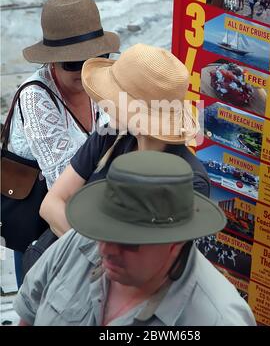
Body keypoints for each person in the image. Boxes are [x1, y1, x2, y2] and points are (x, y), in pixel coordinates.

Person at [15, 151, 256, 326]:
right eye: (104, 230)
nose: (106, 248)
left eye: (128, 242)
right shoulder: (79, 242)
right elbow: (29, 316)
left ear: (175, 242)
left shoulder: (218, 319)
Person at [7, 0, 120, 287]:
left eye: (97, 58)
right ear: (53, 62)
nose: (86, 71)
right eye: (73, 63)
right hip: (40, 227)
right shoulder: (35, 97)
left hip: (88, 216)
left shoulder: (100, 80)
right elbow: (62, 181)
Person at [40, 43, 211, 238]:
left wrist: (91, 250)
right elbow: (50, 204)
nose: (104, 102)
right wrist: (93, 250)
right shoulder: (111, 136)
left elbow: (149, 256)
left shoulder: (189, 181)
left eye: (114, 97)